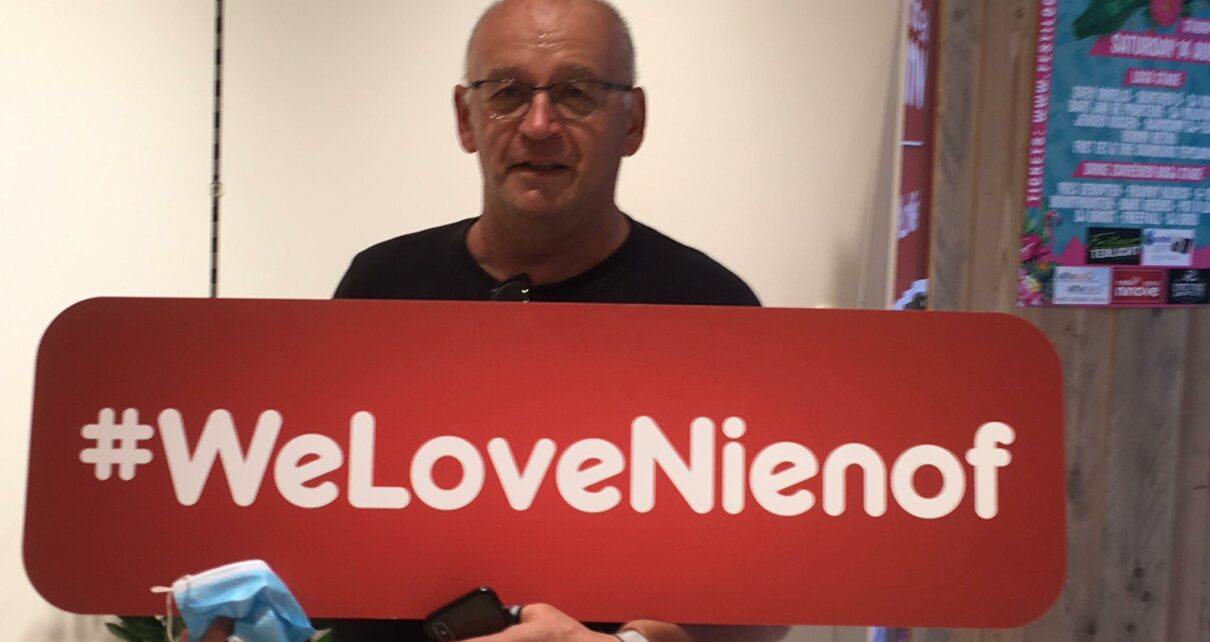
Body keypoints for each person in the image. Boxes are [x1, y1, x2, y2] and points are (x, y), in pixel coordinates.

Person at [193, 1, 775, 641]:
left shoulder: (713, 312)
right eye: (507, 93)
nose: (539, 124)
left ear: (632, 121)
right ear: (464, 118)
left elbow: (766, 594)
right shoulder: (380, 287)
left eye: (576, 93)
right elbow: (315, 515)